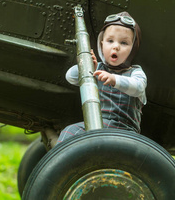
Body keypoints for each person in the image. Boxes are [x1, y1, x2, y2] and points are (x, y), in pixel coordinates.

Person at [57, 12, 147, 143]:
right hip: (96, 123)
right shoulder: (98, 69)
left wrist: (114, 79)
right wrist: (88, 66)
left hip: (125, 130)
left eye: (124, 43)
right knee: (69, 132)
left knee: (74, 132)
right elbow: (70, 77)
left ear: (133, 48)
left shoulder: (135, 72)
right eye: (110, 41)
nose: (115, 46)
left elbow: (138, 87)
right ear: (102, 43)